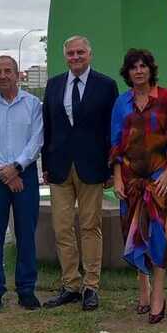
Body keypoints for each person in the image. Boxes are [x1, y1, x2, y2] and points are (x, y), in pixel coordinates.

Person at [41, 35, 118, 311]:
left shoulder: (107, 86)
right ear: (65, 56)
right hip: (59, 167)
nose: (75, 57)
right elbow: (47, 128)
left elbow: (112, 130)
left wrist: (112, 167)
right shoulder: (53, 85)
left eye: (80, 53)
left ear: (90, 54)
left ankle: (91, 287)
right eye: (71, 53)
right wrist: (45, 165)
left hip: (92, 166)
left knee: (89, 227)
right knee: (62, 228)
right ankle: (70, 284)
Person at [110, 48, 167, 324]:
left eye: (143, 66)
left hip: (157, 179)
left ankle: (158, 296)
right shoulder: (122, 102)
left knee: (159, 235)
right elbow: (116, 141)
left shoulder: (166, 99)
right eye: (133, 67)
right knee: (133, 233)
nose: (138, 71)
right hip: (129, 181)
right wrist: (117, 176)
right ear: (127, 73)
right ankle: (144, 288)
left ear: (151, 69)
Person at [0, 55, 44, 310]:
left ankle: (26, 289)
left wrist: (16, 168)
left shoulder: (33, 104)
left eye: (8, 71)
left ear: (18, 75)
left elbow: (36, 140)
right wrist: (4, 172)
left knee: (26, 234)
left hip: (24, 175)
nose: (2, 75)